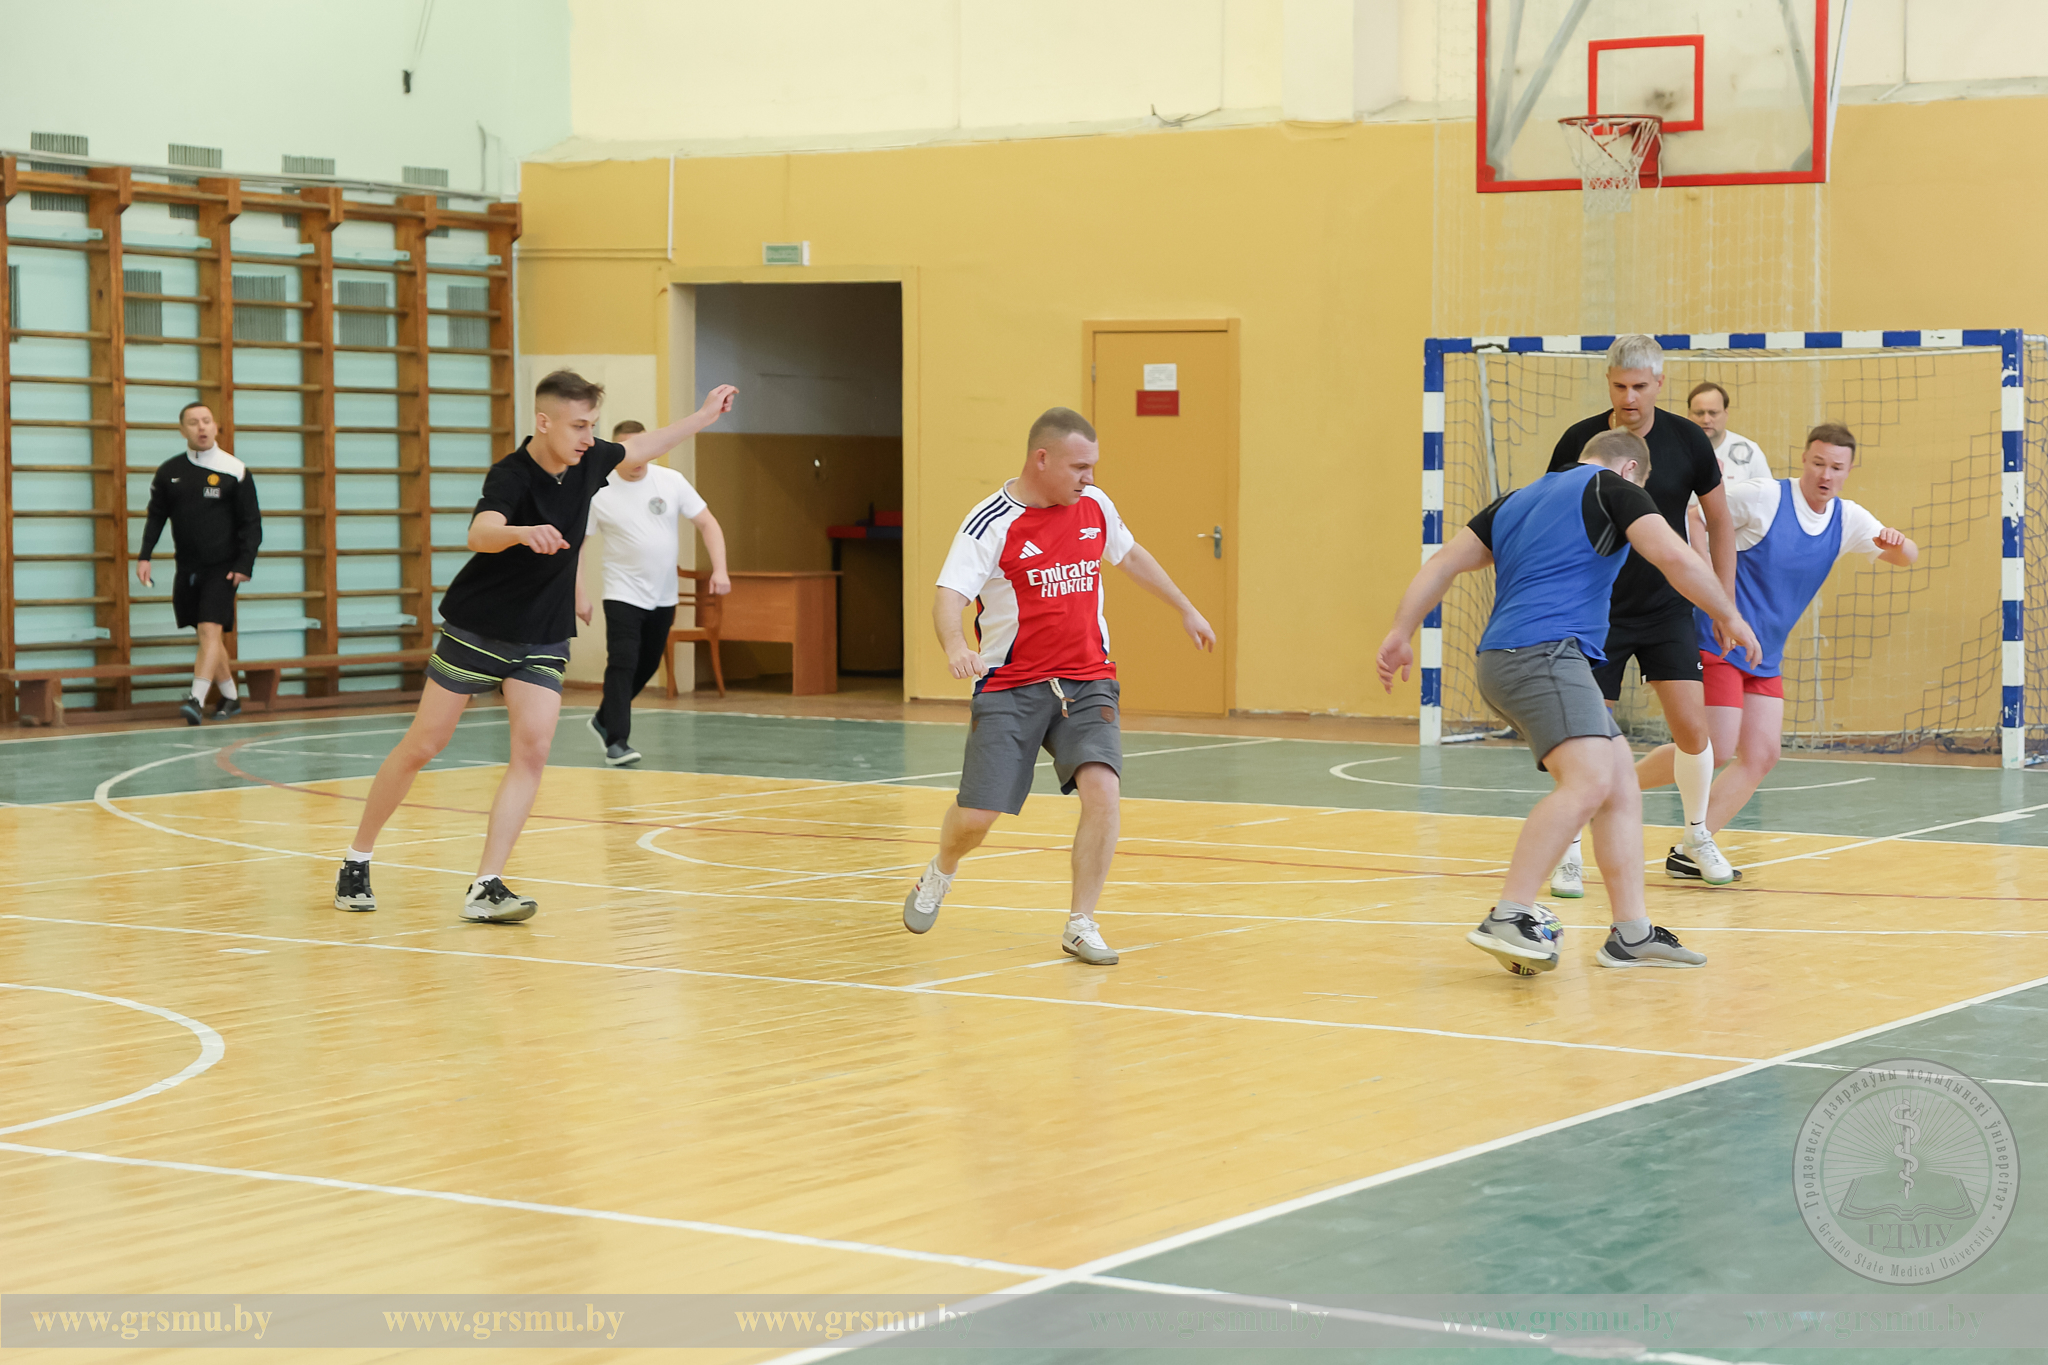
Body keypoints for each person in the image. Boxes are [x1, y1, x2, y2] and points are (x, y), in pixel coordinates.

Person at [331, 372, 738, 921]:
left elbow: (644, 445)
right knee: (424, 745)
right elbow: (480, 534)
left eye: (592, 426)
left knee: (533, 752)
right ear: (544, 422)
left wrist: (705, 416)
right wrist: (522, 533)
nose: (588, 438)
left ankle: (486, 885)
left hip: (543, 634)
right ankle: (357, 858)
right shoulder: (512, 474)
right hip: (479, 628)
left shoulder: (591, 460)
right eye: (578, 426)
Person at [1377, 430, 1760, 972]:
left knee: (1620, 781)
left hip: (1513, 657)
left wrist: (1400, 632)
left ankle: (1631, 933)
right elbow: (1674, 556)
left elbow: (1442, 564)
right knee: (1589, 780)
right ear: (1631, 469)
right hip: (1543, 654)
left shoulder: (1516, 500)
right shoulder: (1614, 488)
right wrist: (1728, 613)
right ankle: (1510, 914)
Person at [899, 407, 1216, 966]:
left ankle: (1081, 922)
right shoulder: (991, 522)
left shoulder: (1095, 506)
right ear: (1041, 459)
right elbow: (949, 594)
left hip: (1088, 679)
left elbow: (1130, 554)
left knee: (1103, 792)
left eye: (1093, 467)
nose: (1089, 478)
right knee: (977, 817)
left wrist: (1185, 608)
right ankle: (940, 871)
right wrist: (955, 647)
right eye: (1079, 467)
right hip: (1011, 685)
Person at [1639, 424, 1918, 864]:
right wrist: (1711, 585)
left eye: (1836, 467)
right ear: (1804, 459)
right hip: (1720, 638)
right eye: (1818, 463)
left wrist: (1899, 544)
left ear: (1848, 471)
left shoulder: (1848, 519)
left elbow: (1906, 557)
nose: (1825, 474)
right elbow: (1696, 514)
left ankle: (1692, 848)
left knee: (1762, 754)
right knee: (1716, 746)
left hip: (1764, 653)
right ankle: (1613, 786)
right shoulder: (1765, 496)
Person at [1544, 336, 1739, 898]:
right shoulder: (1580, 442)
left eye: (1639, 386)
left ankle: (1697, 836)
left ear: (1659, 383)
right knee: (1585, 737)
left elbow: (1720, 523)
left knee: (1693, 729)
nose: (1628, 397)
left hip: (1667, 607)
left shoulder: (1686, 440)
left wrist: (1723, 604)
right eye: (1619, 386)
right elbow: (1553, 516)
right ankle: (1569, 850)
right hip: (1596, 609)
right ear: (1608, 383)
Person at [576, 419, 732, 766]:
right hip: (621, 593)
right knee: (622, 662)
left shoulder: (671, 481)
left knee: (646, 664)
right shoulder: (598, 490)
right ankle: (617, 741)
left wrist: (720, 569)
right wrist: (579, 594)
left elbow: (707, 523)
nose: (638, 458)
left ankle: (603, 718)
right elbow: (578, 546)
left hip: (664, 595)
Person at [136, 402, 261, 725]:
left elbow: (251, 523)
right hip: (188, 567)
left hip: (224, 567)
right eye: (193, 422)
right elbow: (156, 517)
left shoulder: (235, 470)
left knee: (209, 629)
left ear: (216, 426)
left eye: (206, 420)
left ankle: (196, 698)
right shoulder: (169, 472)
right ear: (182, 430)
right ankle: (231, 697)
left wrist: (244, 564)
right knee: (209, 636)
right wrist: (145, 555)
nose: (201, 427)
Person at [1687, 382, 1770, 483]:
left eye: (1713, 413)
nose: (1706, 420)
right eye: (1699, 413)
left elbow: (1768, 492)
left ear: (1726, 413)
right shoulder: (1674, 450)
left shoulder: (1749, 451)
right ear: (1689, 414)